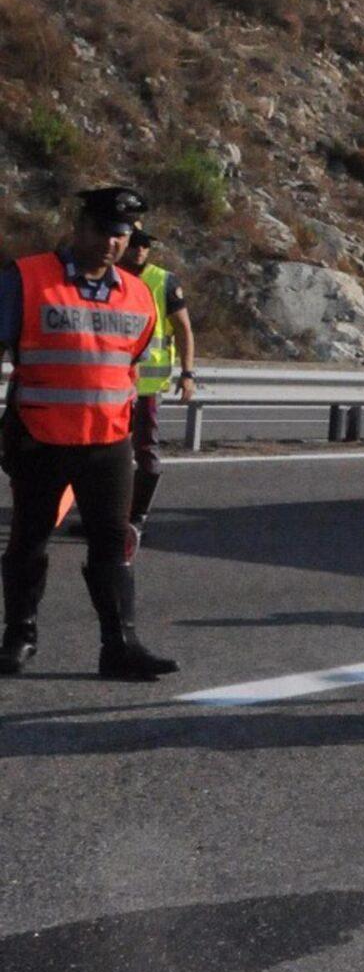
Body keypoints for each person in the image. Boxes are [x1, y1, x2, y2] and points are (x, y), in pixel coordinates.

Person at [0, 186, 177, 681]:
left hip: (107, 443)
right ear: (78, 227)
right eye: (102, 231)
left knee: (112, 542)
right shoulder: (26, 278)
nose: (111, 243)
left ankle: (120, 645)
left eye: (121, 235)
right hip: (41, 437)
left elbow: (129, 362)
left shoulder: (139, 293)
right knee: (30, 541)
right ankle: (19, 636)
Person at [117, 228, 196, 545]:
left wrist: (188, 373)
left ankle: (137, 518)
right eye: (135, 244)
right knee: (109, 454)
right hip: (112, 384)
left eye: (145, 246)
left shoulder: (163, 282)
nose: (139, 250)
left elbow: (183, 330)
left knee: (145, 449)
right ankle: (112, 518)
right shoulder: (107, 276)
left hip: (147, 385)